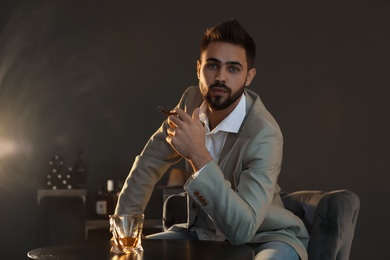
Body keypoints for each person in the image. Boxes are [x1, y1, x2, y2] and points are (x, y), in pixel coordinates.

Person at [115, 19, 309, 260]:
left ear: (249, 76)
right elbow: (148, 164)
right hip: (202, 233)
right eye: (213, 65)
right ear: (199, 69)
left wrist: (198, 154)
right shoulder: (191, 101)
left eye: (233, 68)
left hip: (265, 237)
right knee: (138, 253)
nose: (220, 77)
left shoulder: (264, 133)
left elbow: (242, 230)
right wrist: (124, 233)